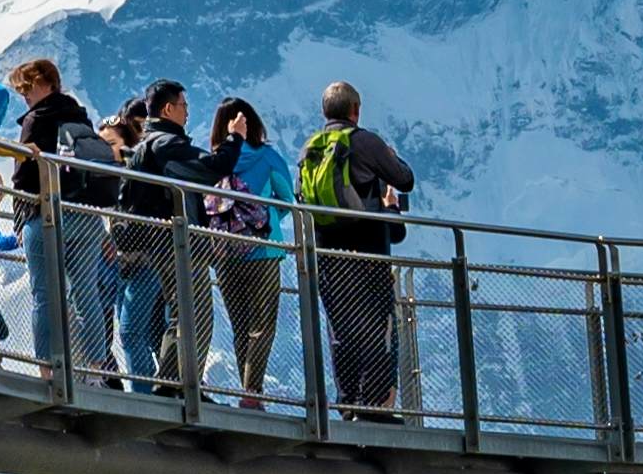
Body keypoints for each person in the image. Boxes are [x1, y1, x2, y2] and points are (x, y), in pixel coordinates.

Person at [298, 81, 423, 419]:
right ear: (356, 111)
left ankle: (348, 403)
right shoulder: (365, 142)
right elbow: (405, 179)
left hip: (327, 256)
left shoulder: (310, 149)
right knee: (377, 328)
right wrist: (392, 161)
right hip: (367, 254)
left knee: (341, 330)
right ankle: (374, 406)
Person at [7, 58, 108, 379]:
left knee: (45, 295)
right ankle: (95, 367)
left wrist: (20, 220)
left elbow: (23, 175)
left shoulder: (37, 120)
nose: (23, 94)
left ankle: (48, 369)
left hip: (48, 215)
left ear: (43, 82)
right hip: (87, 217)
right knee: (86, 291)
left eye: (27, 87)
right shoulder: (81, 117)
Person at [106, 85, 203, 389]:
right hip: (128, 255)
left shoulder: (147, 157)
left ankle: (149, 389)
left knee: (134, 330)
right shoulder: (133, 157)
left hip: (146, 255)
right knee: (148, 328)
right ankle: (164, 384)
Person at [201, 98, 288, 397]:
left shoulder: (214, 160)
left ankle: (247, 389)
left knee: (239, 324)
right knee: (261, 325)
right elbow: (286, 199)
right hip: (263, 249)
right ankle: (252, 393)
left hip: (224, 251)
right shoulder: (268, 157)